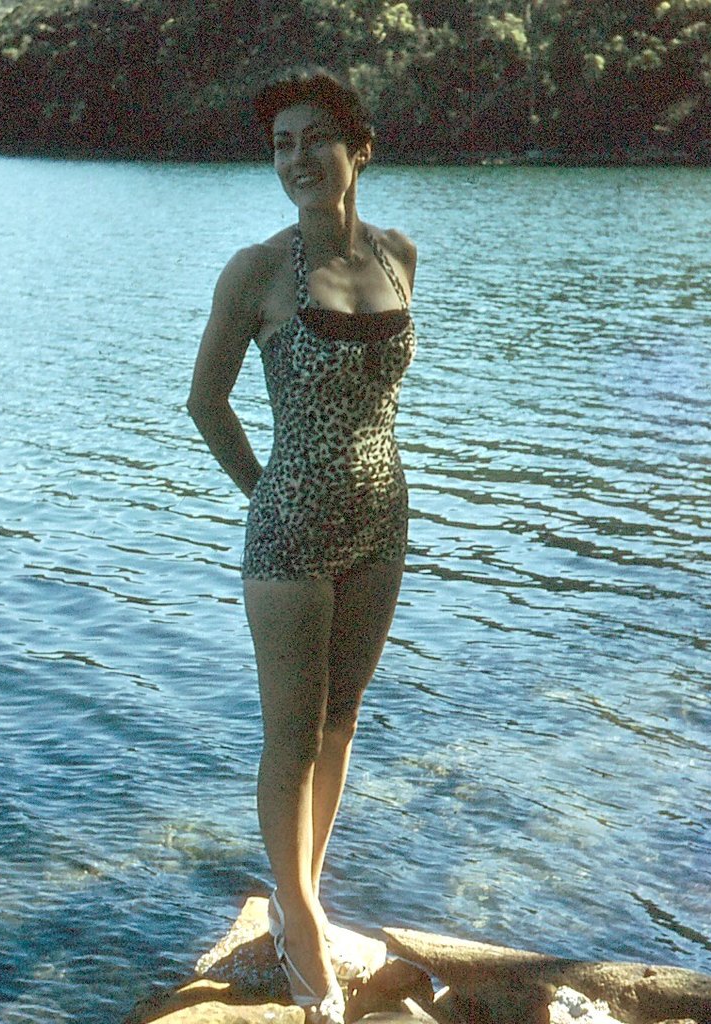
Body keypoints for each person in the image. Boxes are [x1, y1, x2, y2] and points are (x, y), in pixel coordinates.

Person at [187, 67, 417, 1024]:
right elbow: (206, 402)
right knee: (290, 735)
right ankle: (305, 927)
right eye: (280, 143)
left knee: (342, 721)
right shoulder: (256, 270)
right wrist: (268, 494)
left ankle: (301, 900)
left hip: (383, 522)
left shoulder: (401, 254)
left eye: (316, 137)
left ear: (358, 147)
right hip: (290, 532)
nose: (296, 159)